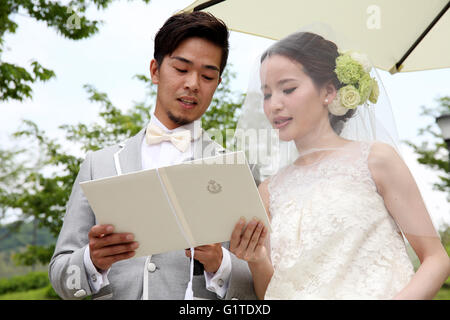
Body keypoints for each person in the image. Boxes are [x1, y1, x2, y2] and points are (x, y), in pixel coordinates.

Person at [49, 11, 258, 300]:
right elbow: (61, 278)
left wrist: (219, 263)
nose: (193, 84)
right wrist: (91, 260)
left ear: (218, 83)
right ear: (155, 71)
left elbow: (262, 286)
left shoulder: (237, 170)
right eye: (181, 69)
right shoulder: (98, 164)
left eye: (207, 75)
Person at [229, 31, 450, 299]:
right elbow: (270, 294)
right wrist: (257, 259)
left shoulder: (375, 160)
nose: (274, 104)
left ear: (329, 92)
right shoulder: (268, 190)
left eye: (288, 89)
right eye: (266, 94)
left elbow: (436, 260)